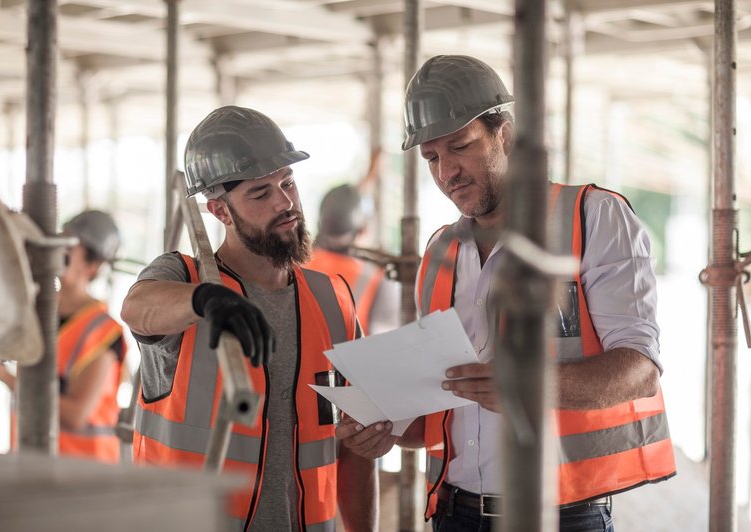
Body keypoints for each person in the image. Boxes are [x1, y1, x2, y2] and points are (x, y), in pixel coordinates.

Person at [337, 55, 676, 531]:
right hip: (453, 513)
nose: (446, 172)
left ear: (506, 135)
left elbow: (640, 370)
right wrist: (386, 431)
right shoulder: (439, 252)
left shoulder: (594, 218)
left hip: (563, 516)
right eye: (431, 157)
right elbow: (442, 409)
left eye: (460, 146)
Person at [120, 105, 377, 532]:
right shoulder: (184, 277)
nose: (285, 202)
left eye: (288, 183)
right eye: (260, 193)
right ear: (220, 211)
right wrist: (205, 299)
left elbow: (355, 446)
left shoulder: (333, 298)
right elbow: (137, 306)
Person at [0, 209, 127, 463]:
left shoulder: (103, 332)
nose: (57, 250)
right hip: (31, 463)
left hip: (82, 475)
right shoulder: (36, 312)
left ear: (92, 265)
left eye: (69, 246)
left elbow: (76, 415)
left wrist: (2, 376)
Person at [306, 183, 399, 335]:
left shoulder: (293, 266)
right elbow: (386, 341)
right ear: (363, 230)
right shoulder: (374, 277)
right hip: (354, 357)